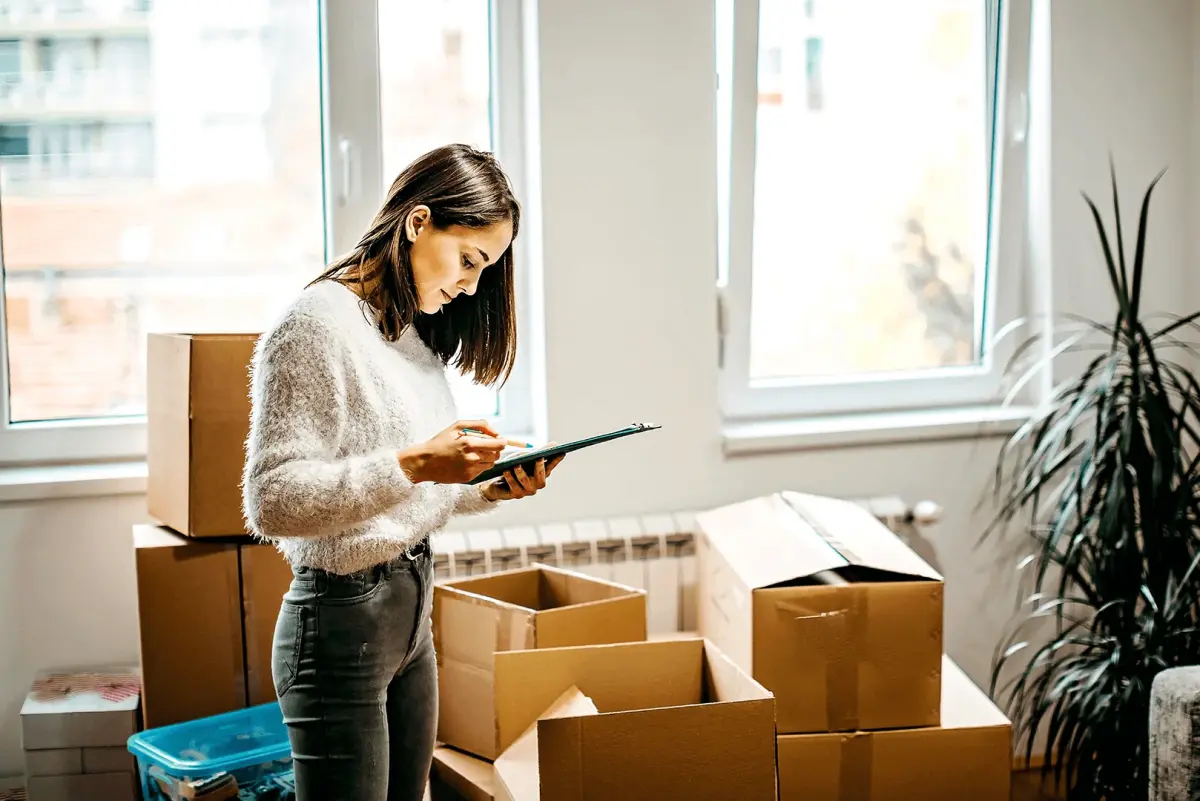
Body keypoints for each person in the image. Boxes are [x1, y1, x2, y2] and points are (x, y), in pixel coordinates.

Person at [241, 143, 560, 801]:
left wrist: (485, 484)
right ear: (418, 223)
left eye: (487, 269)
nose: (472, 286)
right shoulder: (313, 325)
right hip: (340, 624)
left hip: (410, 610)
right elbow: (271, 499)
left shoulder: (407, 332)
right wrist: (416, 462)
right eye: (469, 260)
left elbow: (405, 493)